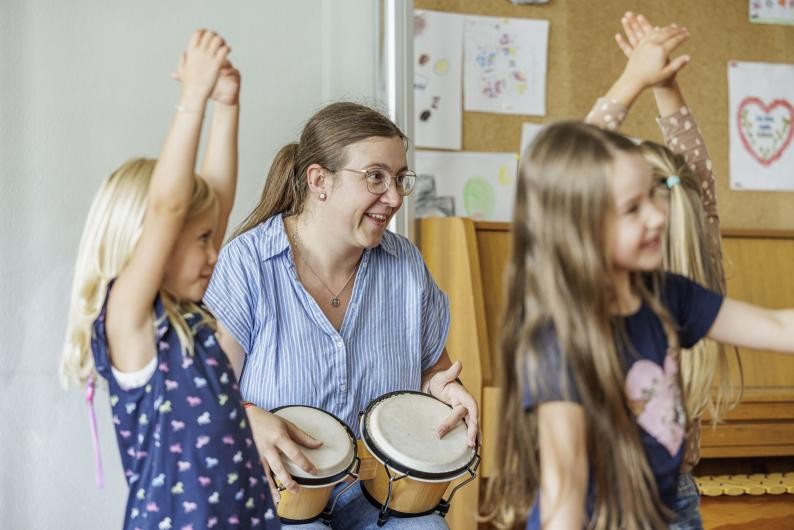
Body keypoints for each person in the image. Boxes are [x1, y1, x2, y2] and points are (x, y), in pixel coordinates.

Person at [482, 110, 794, 528]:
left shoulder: (667, 293)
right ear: (580, 229)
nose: (657, 215)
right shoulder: (557, 345)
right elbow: (564, 494)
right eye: (632, 209)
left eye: (652, 194)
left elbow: (777, 328)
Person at [204, 101, 479, 529]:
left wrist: (446, 391)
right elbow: (209, 396)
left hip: (379, 490)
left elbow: (434, 372)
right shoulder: (248, 263)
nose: (393, 197)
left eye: (400, 179)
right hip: (281, 493)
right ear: (319, 181)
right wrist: (248, 418)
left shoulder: (405, 265)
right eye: (375, 177)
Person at [60, 30, 279, 529]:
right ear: (149, 241)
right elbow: (170, 205)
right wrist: (192, 102)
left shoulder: (190, 318)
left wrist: (227, 106)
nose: (215, 251)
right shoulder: (131, 323)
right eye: (200, 240)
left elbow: (214, 197)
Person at [585, 13, 741, 528]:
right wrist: (666, 88)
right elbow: (695, 186)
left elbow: (567, 169)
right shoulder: (696, 273)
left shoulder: (591, 284)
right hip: (673, 497)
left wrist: (634, 82)